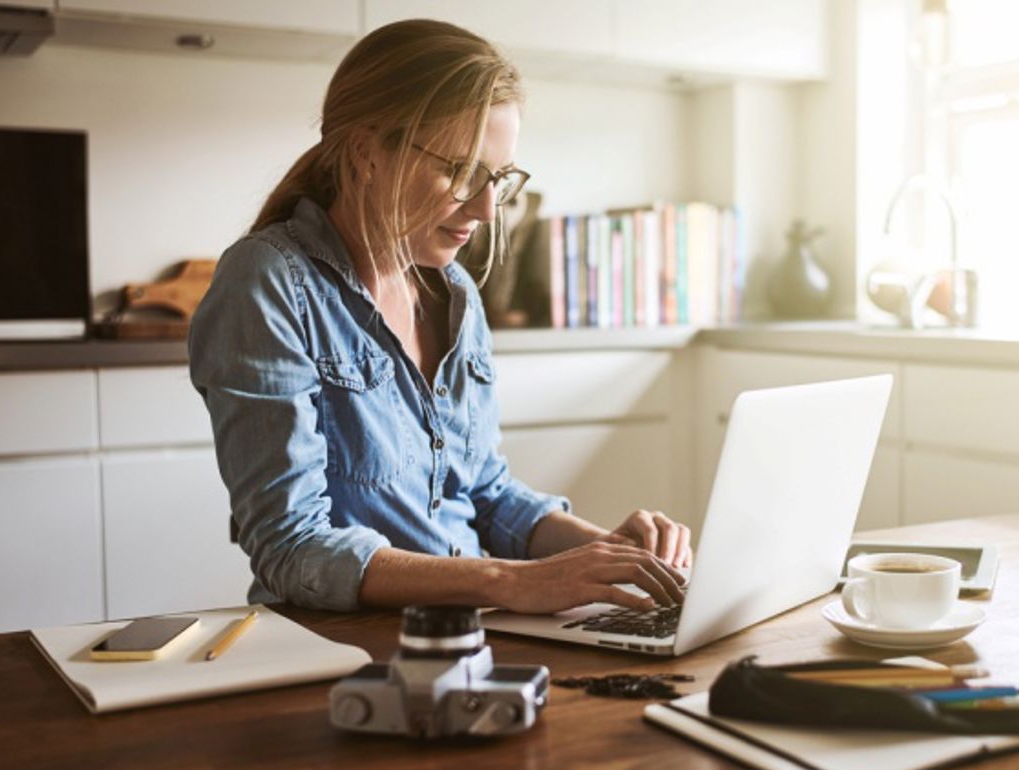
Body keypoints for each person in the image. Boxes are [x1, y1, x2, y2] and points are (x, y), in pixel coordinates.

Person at [189, 19, 691, 616]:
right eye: (460, 172)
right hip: (339, 647)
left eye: (498, 180)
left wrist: (613, 554)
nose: (485, 208)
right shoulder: (270, 282)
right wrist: (510, 583)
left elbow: (485, 495)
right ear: (367, 153)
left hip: (472, 633)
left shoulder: (454, 295)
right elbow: (292, 545)